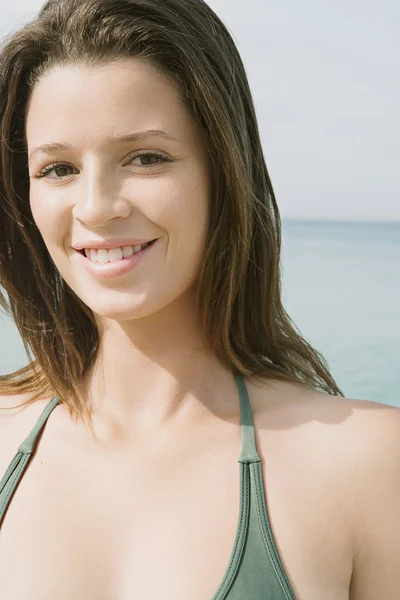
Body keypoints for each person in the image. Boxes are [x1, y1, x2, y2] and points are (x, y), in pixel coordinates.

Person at [0, 0, 399, 597]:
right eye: (58, 169)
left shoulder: (365, 463)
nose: (96, 206)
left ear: (223, 172)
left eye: (146, 158)